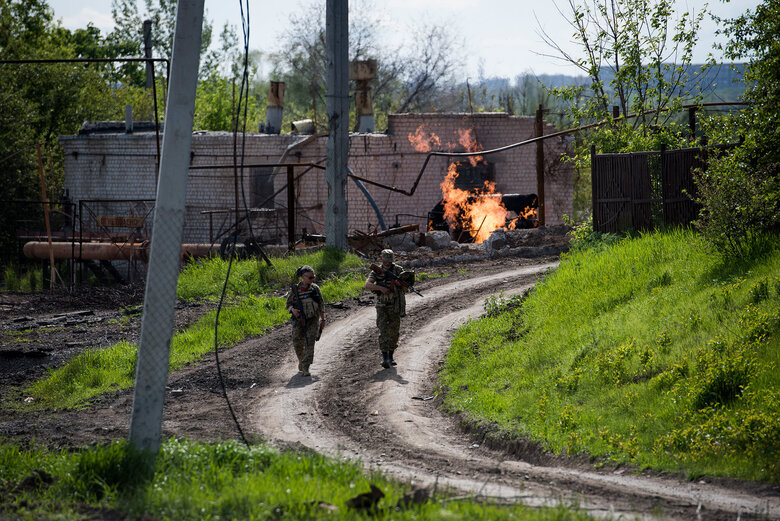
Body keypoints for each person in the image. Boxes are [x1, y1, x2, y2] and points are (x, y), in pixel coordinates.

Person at [364, 249, 409, 369]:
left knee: (394, 331)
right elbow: (367, 285)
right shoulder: (376, 271)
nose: (388, 263)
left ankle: (391, 356)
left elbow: (407, 285)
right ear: (381, 258)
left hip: (395, 304)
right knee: (383, 330)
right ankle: (384, 358)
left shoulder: (398, 270)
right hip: (382, 305)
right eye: (386, 261)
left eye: (390, 261)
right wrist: (380, 288)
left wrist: (400, 284)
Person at [286, 265, 325, 376]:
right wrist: (292, 310)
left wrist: (323, 319)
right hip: (299, 320)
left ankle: (306, 366)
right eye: (310, 277)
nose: (312, 279)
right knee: (297, 341)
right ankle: (301, 361)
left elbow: (321, 304)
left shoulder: (315, 288)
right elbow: (288, 304)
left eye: (313, 277)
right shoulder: (295, 290)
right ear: (303, 277)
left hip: (313, 319)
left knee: (310, 342)